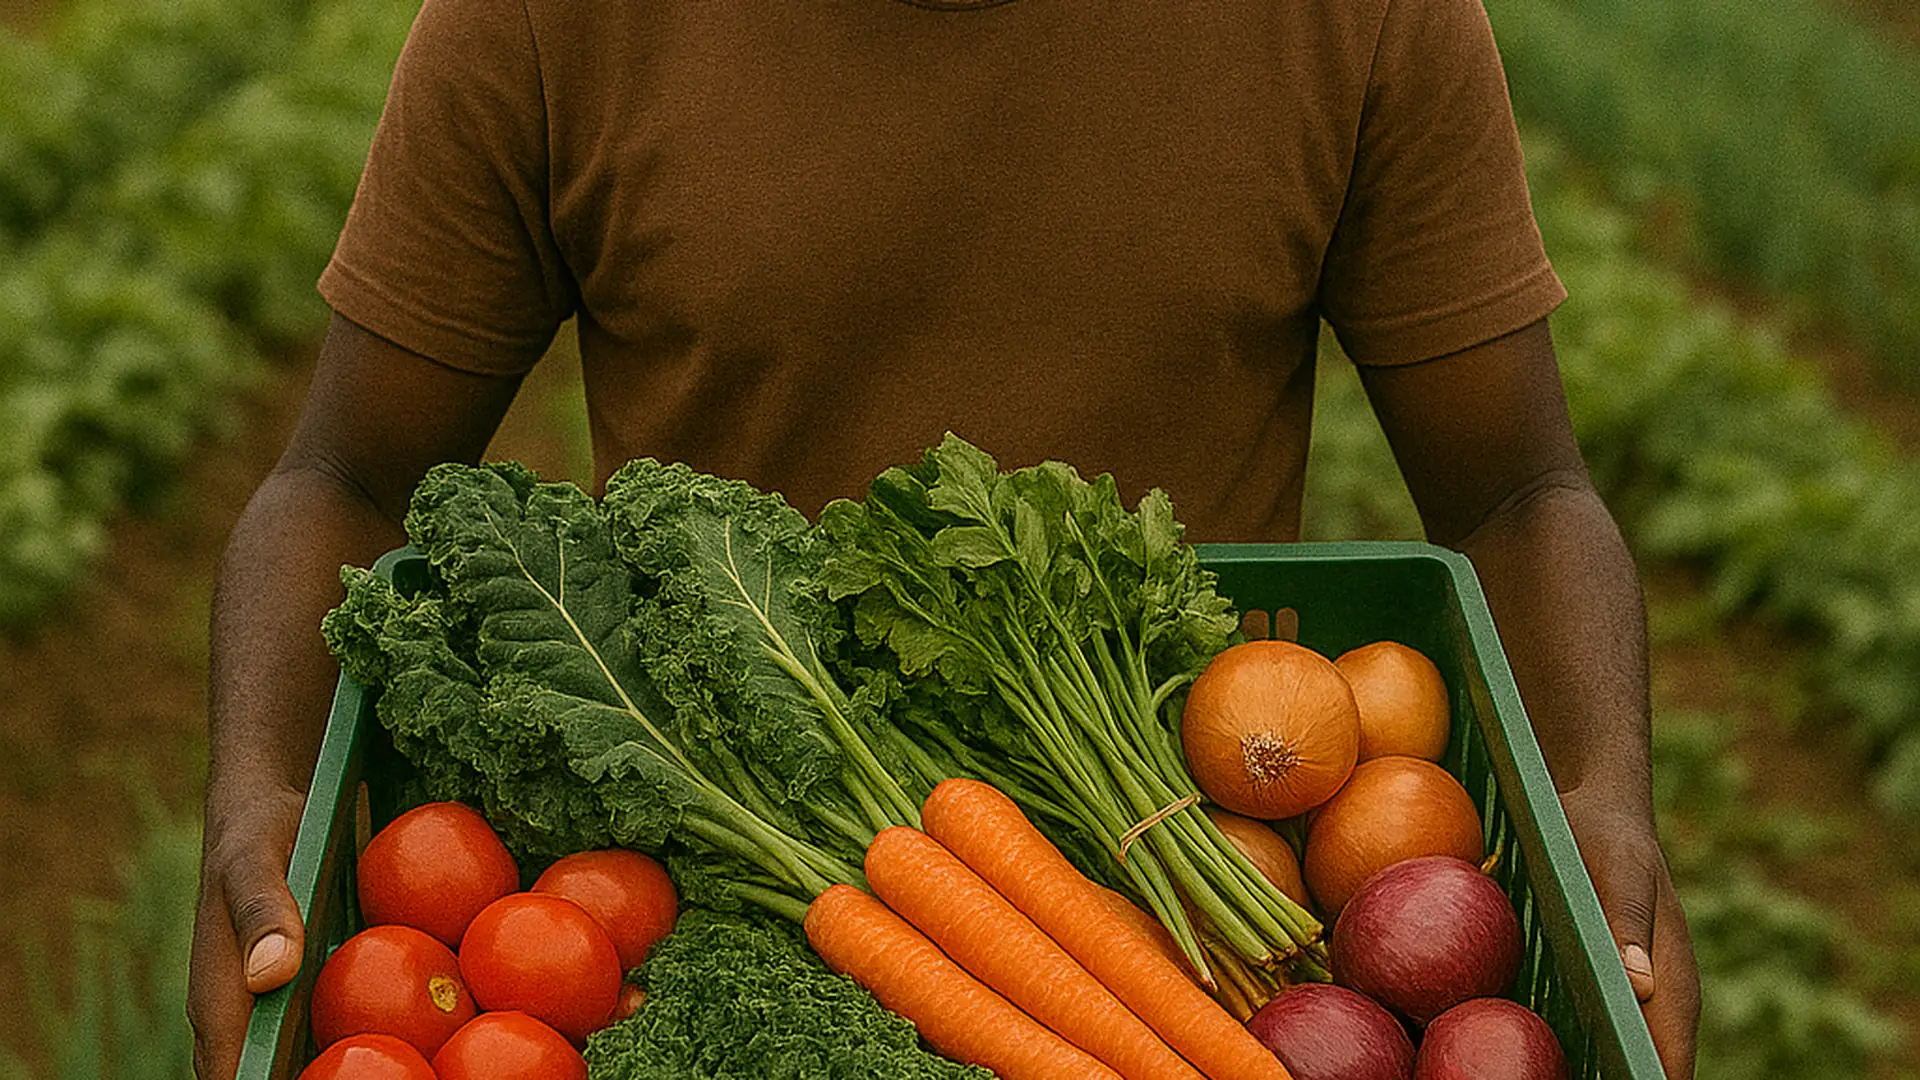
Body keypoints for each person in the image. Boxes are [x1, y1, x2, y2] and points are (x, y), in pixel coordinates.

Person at [188, 0, 1700, 1076]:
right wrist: (259, 786)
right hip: (738, 895)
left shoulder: (1359, 17)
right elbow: (348, 479)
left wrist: (1598, 793)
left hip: (1205, 899)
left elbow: (1515, 494)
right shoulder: (543, 21)